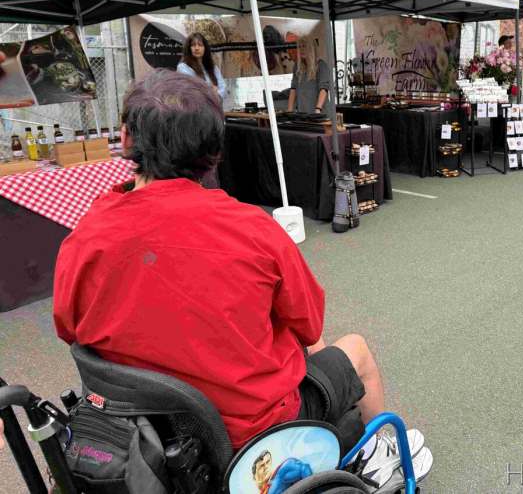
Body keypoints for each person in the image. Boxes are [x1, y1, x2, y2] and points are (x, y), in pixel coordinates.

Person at [53, 71, 397, 465]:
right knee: (355, 349)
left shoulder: (86, 235)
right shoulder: (251, 228)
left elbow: (70, 329)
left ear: (126, 137)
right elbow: (309, 325)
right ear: (215, 150)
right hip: (251, 437)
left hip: (142, 435)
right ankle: (378, 459)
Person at [287, 36, 333, 115]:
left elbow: (324, 89)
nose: (302, 50)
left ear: (311, 48)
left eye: (304, 46)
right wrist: (289, 110)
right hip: (303, 113)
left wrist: (318, 109)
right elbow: (293, 88)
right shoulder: (297, 67)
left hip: (320, 114)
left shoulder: (321, 65)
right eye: (300, 47)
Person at [177, 32, 226, 99]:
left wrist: (215, 95)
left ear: (205, 48)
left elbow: (223, 88)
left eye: (200, 45)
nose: (197, 48)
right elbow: (191, 90)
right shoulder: (183, 67)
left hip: (214, 107)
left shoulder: (213, 68)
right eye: (193, 45)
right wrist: (211, 91)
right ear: (189, 48)